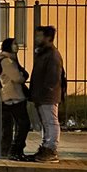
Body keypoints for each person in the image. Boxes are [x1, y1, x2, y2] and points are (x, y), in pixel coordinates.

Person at [0, 37, 31, 161]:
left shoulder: (3, 60)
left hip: (6, 96)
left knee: (7, 125)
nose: (17, 46)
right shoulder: (7, 61)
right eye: (14, 44)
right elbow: (18, 78)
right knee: (24, 124)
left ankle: (5, 150)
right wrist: (23, 75)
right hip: (14, 95)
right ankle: (15, 150)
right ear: (8, 46)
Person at [29, 26, 65, 162]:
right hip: (42, 95)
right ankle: (46, 147)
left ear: (48, 38)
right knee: (46, 122)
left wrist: (46, 90)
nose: (36, 39)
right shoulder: (44, 53)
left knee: (51, 122)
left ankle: (51, 149)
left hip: (47, 96)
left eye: (39, 36)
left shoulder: (52, 55)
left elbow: (53, 77)